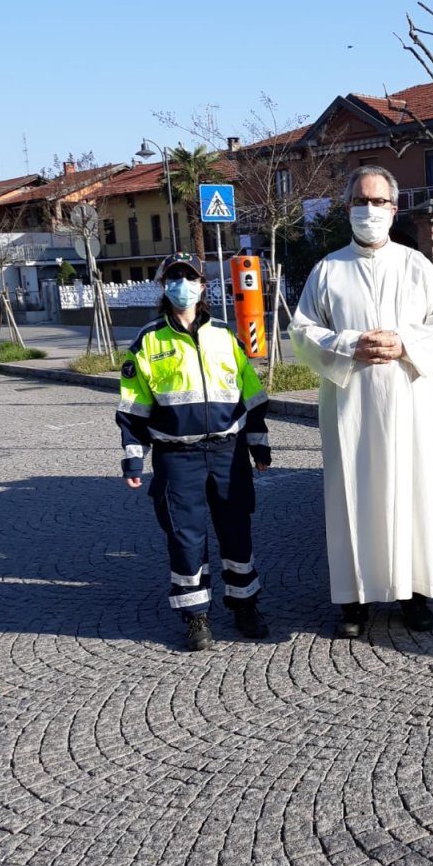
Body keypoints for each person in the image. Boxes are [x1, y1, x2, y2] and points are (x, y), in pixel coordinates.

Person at [290, 166, 433, 639]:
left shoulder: (416, 266)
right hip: (352, 409)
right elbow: (302, 333)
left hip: (409, 405)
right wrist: (348, 345)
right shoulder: (328, 270)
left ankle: (414, 595)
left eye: (378, 201)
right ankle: (353, 600)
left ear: (394, 206)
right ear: (348, 209)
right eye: (360, 202)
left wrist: (405, 343)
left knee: (413, 494)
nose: (369, 210)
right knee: (354, 496)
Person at [116, 251, 271, 652]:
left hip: (228, 452)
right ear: (163, 286)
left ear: (203, 285)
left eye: (190, 277)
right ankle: (196, 614)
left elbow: (250, 394)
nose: (182, 284)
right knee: (186, 539)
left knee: (237, 532)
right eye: (174, 277)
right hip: (176, 457)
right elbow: (133, 406)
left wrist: (259, 443)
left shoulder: (225, 335)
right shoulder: (148, 341)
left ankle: (244, 605)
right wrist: (134, 456)